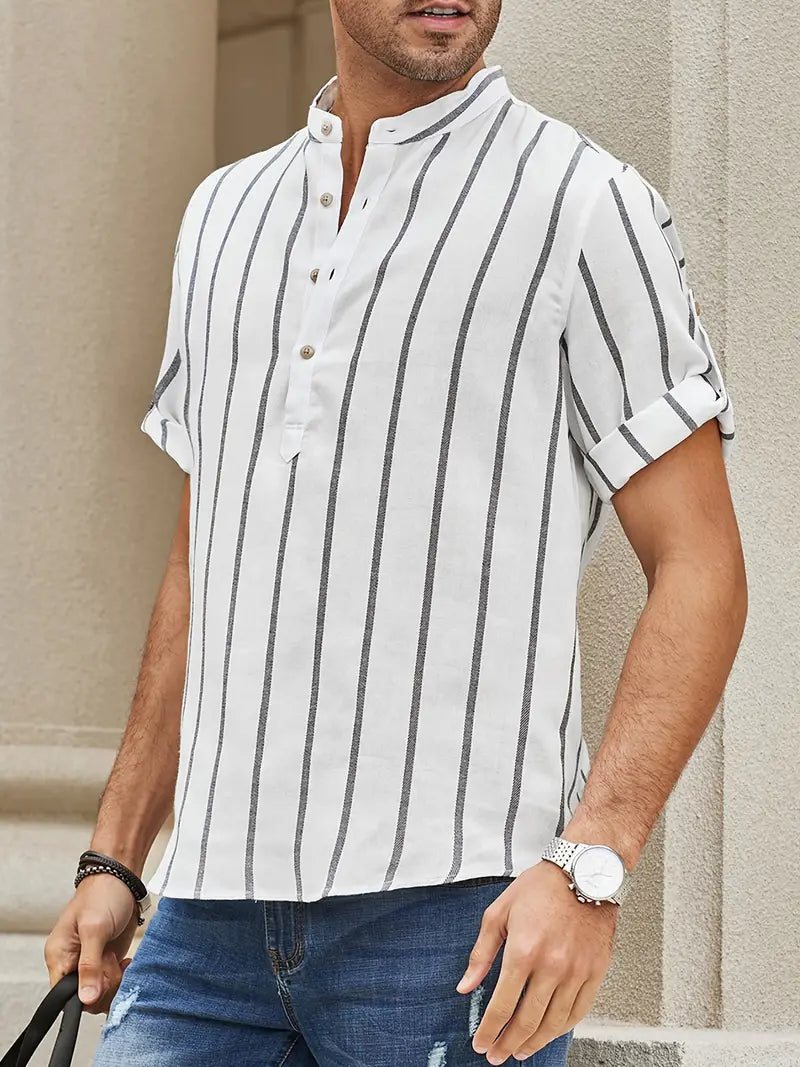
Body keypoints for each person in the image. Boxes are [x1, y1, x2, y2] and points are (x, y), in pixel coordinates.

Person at [43, 1, 747, 1064]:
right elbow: (203, 562)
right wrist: (117, 853)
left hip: (453, 927)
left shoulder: (585, 205)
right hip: (201, 922)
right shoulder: (222, 217)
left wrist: (590, 865)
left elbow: (701, 564)